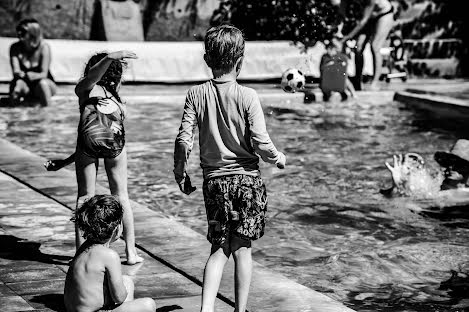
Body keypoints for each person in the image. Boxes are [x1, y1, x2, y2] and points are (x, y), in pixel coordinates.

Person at [173, 25, 286, 312]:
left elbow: (183, 140)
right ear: (240, 60)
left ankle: (206, 309)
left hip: (214, 183)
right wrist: (278, 158)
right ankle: (239, 310)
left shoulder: (195, 94)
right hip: (247, 181)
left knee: (219, 247)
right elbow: (261, 142)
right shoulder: (247, 95)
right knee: (242, 248)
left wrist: (180, 172)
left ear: (207, 59)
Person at [44, 51, 143, 265]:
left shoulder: (84, 90)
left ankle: (81, 254)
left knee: (85, 197)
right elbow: (104, 139)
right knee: (121, 195)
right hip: (115, 144)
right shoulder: (119, 103)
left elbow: (89, 143)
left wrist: (108, 57)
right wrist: (63, 163)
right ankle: (131, 253)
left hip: (87, 144)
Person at [64, 194, 156, 312]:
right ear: (117, 228)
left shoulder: (83, 248)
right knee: (149, 304)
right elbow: (119, 297)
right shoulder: (109, 256)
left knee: (127, 281)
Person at [338, 0, 395, 90]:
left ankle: (375, 83)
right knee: (358, 47)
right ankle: (357, 81)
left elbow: (363, 22)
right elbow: (342, 15)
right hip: (370, 17)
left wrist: (349, 36)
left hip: (384, 14)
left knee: (375, 46)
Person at [382, 140, 469, 197]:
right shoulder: (432, 186)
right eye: (449, 162)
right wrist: (397, 188)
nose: (451, 167)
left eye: (459, 164)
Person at [9, 18, 56, 106]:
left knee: (42, 84)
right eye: (18, 30)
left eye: (23, 31)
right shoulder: (14, 47)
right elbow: (15, 71)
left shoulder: (44, 47)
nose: (19, 33)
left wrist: (33, 75)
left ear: (33, 32)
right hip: (24, 82)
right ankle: (13, 115)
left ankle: (48, 114)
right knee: (17, 86)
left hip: (43, 83)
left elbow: (44, 74)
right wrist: (20, 74)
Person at [320, 36, 357, 101]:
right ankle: (351, 94)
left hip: (340, 77)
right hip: (331, 79)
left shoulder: (342, 57)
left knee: (346, 79)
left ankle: (353, 94)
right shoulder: (325, 57)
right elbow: (322, 69)